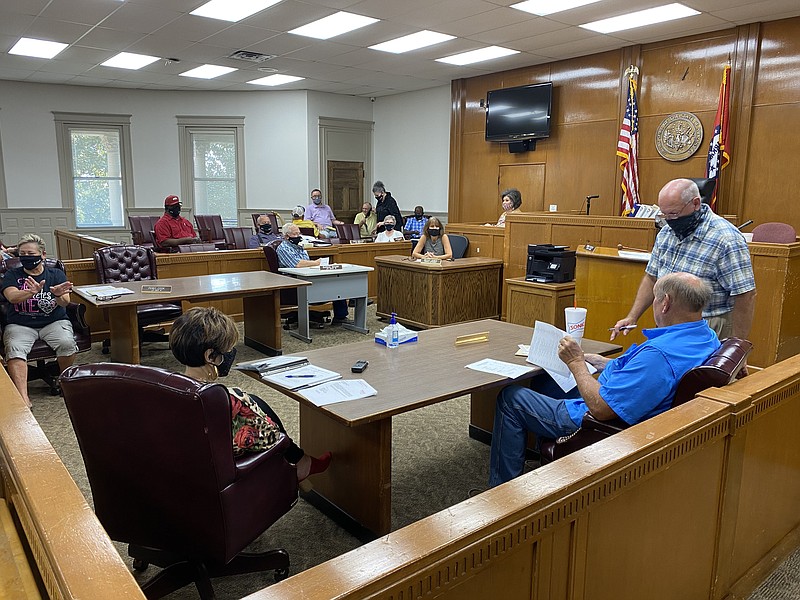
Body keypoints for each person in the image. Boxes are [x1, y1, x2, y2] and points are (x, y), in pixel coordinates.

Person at [489, 272, 720, 487]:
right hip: (625, 397)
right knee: (546, 382)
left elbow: (601, 408)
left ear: (665, 302)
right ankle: (553, 470)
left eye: (655, 299)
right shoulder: (704, 335)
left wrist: (576, 362)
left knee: (511, 398)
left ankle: (502, 491)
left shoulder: (659, 355)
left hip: (599, 420)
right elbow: (645, 377)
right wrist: (601, 362)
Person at [169, 306, 331, 481]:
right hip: (221, 467)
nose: (230, 354)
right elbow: (271, 438)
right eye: (227, 350)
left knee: (256, 401)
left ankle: (302, 461)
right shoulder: (230, 400)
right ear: (210, 356)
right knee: (257, 408)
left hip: (183, 464)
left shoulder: (167, 388)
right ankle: (302, 464)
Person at [611, 178, 756, 342]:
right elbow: (651, 277)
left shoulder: (726, 238)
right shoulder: (666, 232)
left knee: (700, 369)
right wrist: (632, 317)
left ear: (695, 203)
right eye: (664, 214)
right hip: (668, 322)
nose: (669, 220)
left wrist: (738, 346)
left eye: (673, 214)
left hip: (708, 326)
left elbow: (745, 294)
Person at [1, 234, 76, 407]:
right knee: (14, 348)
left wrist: (58, 295)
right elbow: (12, 297)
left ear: (43, 254)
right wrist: (30, 292)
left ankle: (63, 380)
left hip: (53, 322)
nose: (27, 257)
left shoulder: (56, 274)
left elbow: (65, 302)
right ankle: (23, 397)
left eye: (31, 253)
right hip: (21, 324)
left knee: (66, 343)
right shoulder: (12, 274)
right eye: (23, 253)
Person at [276, 224, 351, 324]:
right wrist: (316, 263)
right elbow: (297, 264)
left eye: (299, 233)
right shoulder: (283, 248)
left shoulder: (299, 247)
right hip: (295, 281)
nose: (298, 236)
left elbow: (306, 263)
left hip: (308, 275)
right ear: (286, 236)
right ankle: (345, 310)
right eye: (295, 234)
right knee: (332, 285)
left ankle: (341, 316)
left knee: (335, 281)